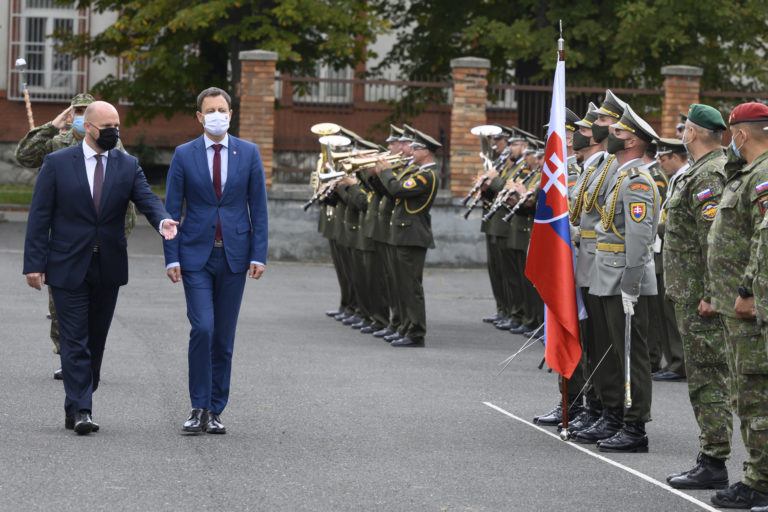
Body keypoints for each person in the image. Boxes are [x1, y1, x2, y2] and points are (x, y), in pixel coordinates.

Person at [23, 101, 177, 435]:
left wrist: (162, 220)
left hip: (107, 264)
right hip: (66, 264)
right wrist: (34, 263)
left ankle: (76, 402)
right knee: (74, 339)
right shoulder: (58, 163)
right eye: (107, 127)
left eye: (117, 126)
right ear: (89, 128)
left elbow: (146, 198)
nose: (114, 132)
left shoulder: (127, 164)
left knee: (95, 340)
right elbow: (39, 215)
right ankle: (82, 408)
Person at [164, 87, 268, 434]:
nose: (217, 115)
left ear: (231, 114)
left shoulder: (248, 153)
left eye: (222, 109)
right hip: (195, 255)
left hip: (235, 255)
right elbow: (171, 210)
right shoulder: (184, 154)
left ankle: (215, 409)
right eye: (210, 110)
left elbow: (259, 209)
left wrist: (259, 253)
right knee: (203, 329)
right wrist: (171, 257)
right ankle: (198, 406)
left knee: (223, 338)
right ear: (199, 117)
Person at [15, 93, 137, 380]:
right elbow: (24, 156)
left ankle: (84, 362)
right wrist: (51, 125)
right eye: (77, 111)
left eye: (85, 110)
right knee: (61, 309)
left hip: (101, 244)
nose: (81, 116)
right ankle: (68, 356)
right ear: (71, 115)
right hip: (66, 243)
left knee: (95, 314)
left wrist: (117, 239)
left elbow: (126, 195)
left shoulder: (112, 144)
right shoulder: (58, 144)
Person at [662, 104, 732, 490]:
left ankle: (714, 460)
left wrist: (709, 293)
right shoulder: (700, 170)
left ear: (693, 133)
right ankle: (711, 455)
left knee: (708, 378)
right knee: (703, 376)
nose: (682, 134)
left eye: (684, 128)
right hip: (689, 293)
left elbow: (714, 240)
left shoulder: (709, 174)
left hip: (700, 298)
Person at [587, 104, 660, 453]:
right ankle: (616, 415)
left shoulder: (638, 183)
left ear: (631, 141)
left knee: (631, 355)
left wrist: (631, 286)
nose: (610, 134)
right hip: (608, 275)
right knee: (615, 353)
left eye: (618, 131)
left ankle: (635, 426)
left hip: (624, 279)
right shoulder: (620, 176)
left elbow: (639, 241)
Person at [707, 102, 768, 509]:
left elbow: (765, 238)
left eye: (732, 134)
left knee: (755, 396)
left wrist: (748, 291)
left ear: (742, 134)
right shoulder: (745, 172)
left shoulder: (762, 175)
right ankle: (757, 475)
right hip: (736, 306)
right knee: (745, 395)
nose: (730, 142)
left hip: (750, 308)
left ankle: (760, 481)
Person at [370, 128, 441, 347]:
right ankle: (405, 327)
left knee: (410, 287)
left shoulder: (426, 176)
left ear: (426, 152)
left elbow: (398, 189)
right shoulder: (416, 172)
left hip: (412, 235)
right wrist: (376, 176)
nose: (411, 151)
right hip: (402, 233)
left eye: (416, 148)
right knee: (401, 285)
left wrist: (386, 172)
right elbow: (388, 191)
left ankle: (416, 332)